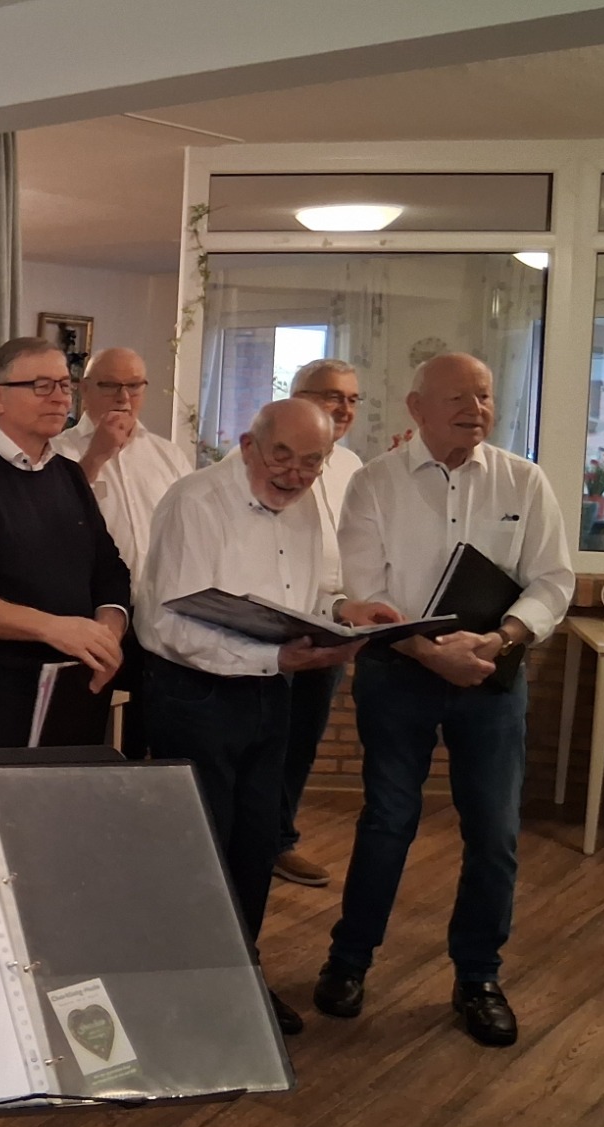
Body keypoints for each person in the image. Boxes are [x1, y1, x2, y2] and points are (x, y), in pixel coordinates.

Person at [318, 353, 572, 1047]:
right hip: (398, 672)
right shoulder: (374, 483)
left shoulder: (524, 480)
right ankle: (349, 961)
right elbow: (363, 589)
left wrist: (503, 638)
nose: (475, 408)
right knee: (387, 821)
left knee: (494, 831)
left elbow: (551, 581)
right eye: (458, 397)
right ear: (417, 407)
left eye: (484, 396)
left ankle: (479, 978)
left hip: (492, 673)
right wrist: (430, 653)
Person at [135, 399, 400, 1033]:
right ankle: (180, 995)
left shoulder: (306, 505)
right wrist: (275, 658)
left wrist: (343, 611)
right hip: (194, 694)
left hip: (270, 693)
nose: (295, 474)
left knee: (254, 847)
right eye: (282, 455)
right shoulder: (197, 502)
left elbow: (303, 595)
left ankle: (240, 979)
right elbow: (168, 625)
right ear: (250, 444)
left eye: (312, 462)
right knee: (198, 851)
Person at [0, 337, 131, 749]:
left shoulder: (69, 474)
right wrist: (54, 629)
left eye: (64, 385)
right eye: (42, 386)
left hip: (77, 687)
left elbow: (110, 569)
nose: (60, 398)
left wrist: (105, 635)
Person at [273, 358, 365, 888]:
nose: (344, 408)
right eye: (332, 396)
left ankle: (278, 841)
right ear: (298, 396)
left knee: (302, 741)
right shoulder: (267, 459)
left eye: (352, 399)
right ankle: (237, 841)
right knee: (264, 739)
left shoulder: (353, 467)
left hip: (331, 624)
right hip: (273, 624)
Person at [54, 346, 192, 581]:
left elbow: (191, 527)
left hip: (160, 598)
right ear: (85, 389)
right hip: (87, 597)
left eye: (134, 386)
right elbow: (51, 523)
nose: (124, 397)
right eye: (110, 386)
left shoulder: (169, 455)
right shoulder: (55, 452)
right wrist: (95, 456)